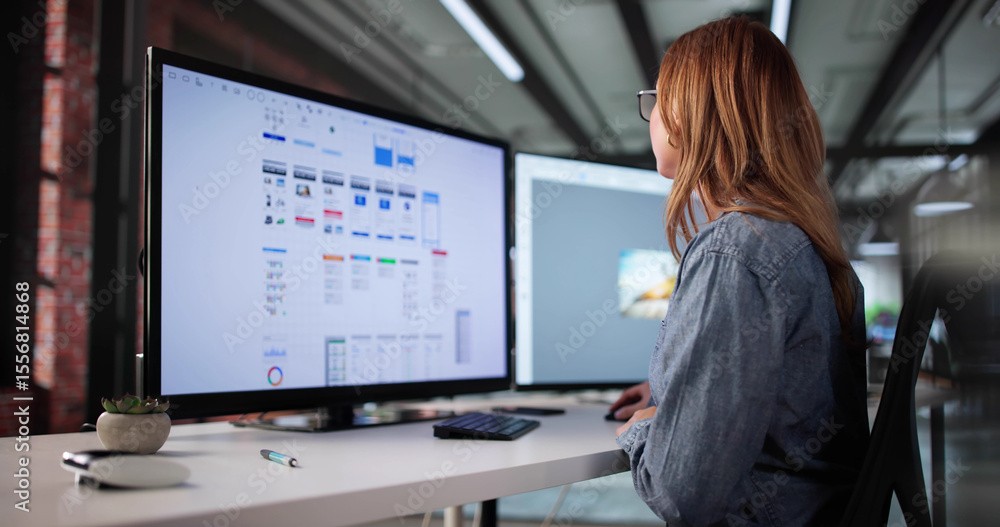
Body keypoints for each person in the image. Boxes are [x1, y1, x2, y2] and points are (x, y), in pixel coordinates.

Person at [609, 16, 870, 526]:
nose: (653, 115)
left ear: (688, 113)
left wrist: (647, 428)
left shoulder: (733, 252)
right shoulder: (805, 243)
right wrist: (676, 395)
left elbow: (680, 490)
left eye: (658, 98)